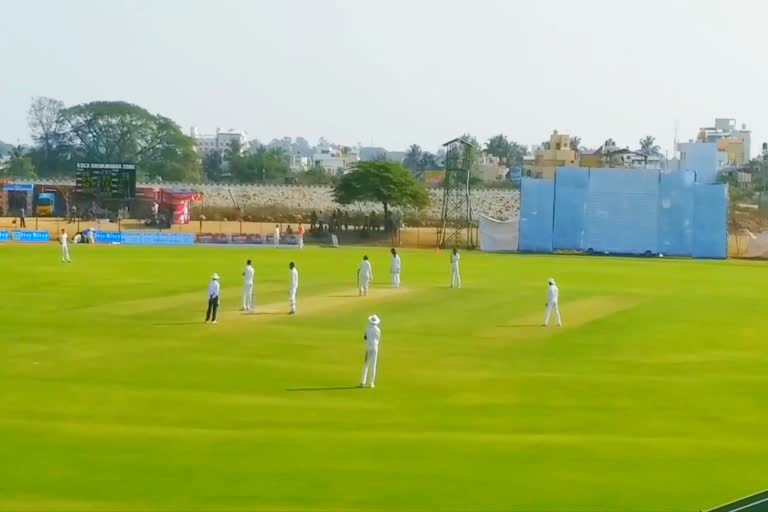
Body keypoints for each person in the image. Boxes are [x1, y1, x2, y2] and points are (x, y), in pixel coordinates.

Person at [360, 314, 381, 389]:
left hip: (368, 348)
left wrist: (368, 341)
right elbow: (378, 339)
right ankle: (371, 383)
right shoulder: (378, 330)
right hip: (375, 347)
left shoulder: (367, 328)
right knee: (373, 365)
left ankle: (363, 382)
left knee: (366, 364)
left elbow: (365, 337)